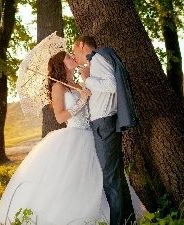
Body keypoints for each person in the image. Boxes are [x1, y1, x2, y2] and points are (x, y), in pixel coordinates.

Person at [0, 51, 111, 225]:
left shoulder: (75, 83)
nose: (72, 57)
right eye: (68, 57)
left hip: (90, 135)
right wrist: (82, 100)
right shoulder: (57, 87)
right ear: (61, 64)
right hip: (73, 137)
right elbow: (60, 117)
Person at [72, 36, 140, 225]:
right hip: (104, 123)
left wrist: (88, 79)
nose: (75, 56)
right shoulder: (97, 61)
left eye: (74, 50)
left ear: (82, 45)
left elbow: (111, 86)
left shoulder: (97, 57)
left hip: (104, 124)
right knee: (115, 176)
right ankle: (128, 220)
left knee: (110, 178)